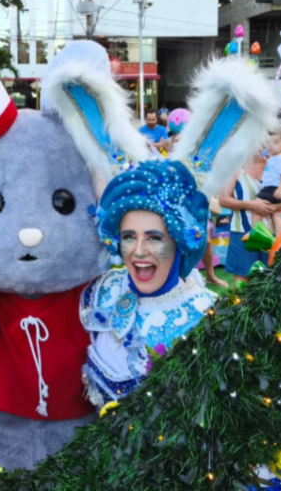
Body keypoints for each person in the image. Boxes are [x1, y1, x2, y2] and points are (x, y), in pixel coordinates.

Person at [80, 161, 216, 406]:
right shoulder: (104, 292)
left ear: (179, 243)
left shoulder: (207, 317)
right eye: (129, 237)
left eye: (154, 238)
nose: (139, 251)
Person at [219, 155, 275, 285]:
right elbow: (223, 200)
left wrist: (276, 207)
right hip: (243, 232)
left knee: (269, 279)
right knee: (242, 279)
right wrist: (252, 205)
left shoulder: (274, 164)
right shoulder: (235, 167)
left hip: (271, 232)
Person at [253, 133, 281, 234]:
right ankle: (280, 237)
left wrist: (280, 189)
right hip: (276, 189)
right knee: (277, 215)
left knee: (257, 208)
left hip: (273, 189)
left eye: (275, 143)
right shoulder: (275, 157)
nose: (270, 145)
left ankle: (254, 232)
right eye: (269, 143)